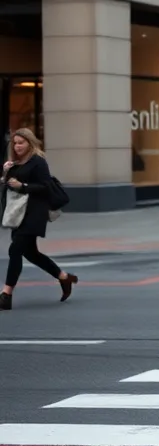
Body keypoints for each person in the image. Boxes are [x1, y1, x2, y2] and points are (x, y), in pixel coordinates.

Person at [1, 128, 77, 311]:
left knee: (15, 249)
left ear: (30, 143)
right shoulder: (16, 163)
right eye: (15, 143)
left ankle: (6, 294)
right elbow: (10, 187)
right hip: (19, 213)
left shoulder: (38, 161)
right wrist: (6, 173)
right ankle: (64, 277)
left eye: (21, 142)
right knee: (30, 253)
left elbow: (44, 186)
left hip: (34, 212)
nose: (18, 146)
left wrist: (23, 186)